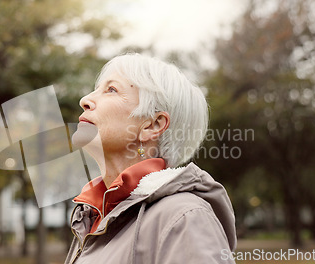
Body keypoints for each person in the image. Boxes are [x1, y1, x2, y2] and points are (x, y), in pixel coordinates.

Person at [65, 53, 237, 264]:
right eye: (97, 89)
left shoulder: (185, 217)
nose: (85, 100)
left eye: (111, 90)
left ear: (152, 125)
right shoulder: (92, 217)